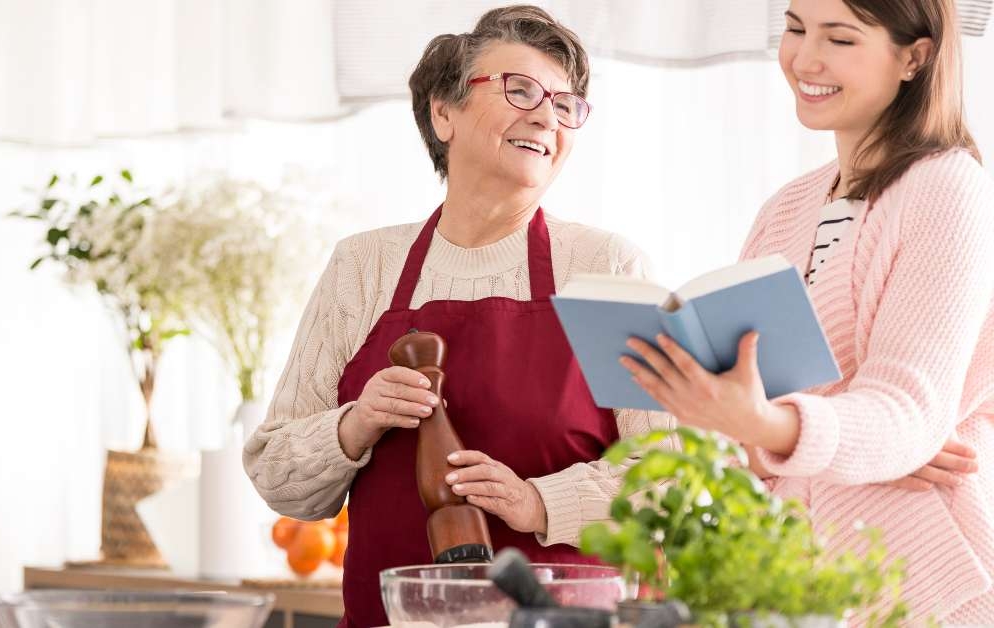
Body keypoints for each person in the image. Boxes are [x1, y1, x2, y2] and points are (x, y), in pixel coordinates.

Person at [243, 6, 674, 627]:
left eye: (564, 104)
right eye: (520, 90)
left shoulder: (608, 267)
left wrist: (538, 502)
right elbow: (278, 476)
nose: (545, 116)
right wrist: (358, 423)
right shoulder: (363, 266)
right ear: (443, 112)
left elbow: (677, 477)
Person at [620, 0, 994, 622]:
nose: (805, 58)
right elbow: (747, 428)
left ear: (914, 57)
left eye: (840, 38)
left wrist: (773, 427)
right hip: (801, 579)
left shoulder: (946, 186)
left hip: (930, 581)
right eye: (795, 29)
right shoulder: (786, 208)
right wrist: (730, 418)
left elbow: (908, 413)